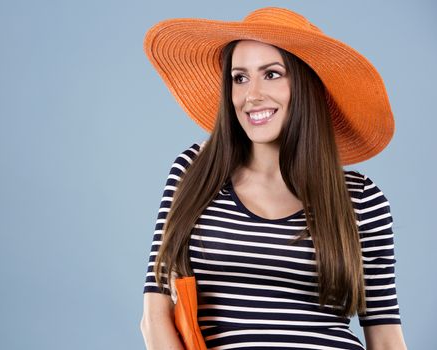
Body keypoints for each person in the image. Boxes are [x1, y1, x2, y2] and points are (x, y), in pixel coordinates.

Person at [140, 7, 407, 350]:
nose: (252, 95)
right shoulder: (195, 173)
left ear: (306, 84)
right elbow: (154, 317)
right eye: (239, 77)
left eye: (272, 74)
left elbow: (385, 337)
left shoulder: (361, 199)